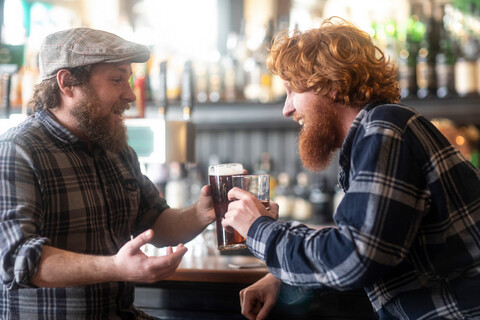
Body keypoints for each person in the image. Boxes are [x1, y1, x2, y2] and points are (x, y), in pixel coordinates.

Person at [223, 17, 480, 320]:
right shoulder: (379, 129)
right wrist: (282, 276)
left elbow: (358, 256)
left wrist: (259, 229)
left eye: (293, 90)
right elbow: (374, 244)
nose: (287, 108)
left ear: (331, 84)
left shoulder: (384, 127)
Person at [0, 27, 215, 319]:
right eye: (116, 80)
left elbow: (155, 222)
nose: (129, 94)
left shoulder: (115, 147)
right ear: (67, 83)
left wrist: (203, 212)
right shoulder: (18, 150)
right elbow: (16, 260)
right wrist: (116, 266)